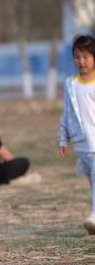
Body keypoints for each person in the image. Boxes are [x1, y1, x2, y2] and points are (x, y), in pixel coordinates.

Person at [58, 35, 95, 234]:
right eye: (77, 57)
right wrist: (63, 138)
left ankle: (94, 215)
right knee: (92, 181)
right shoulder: (71, 84)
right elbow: (66, 112)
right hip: (82, 145)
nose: (81, 61)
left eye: (86, 57)